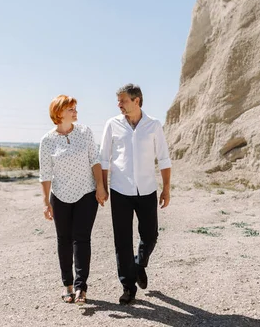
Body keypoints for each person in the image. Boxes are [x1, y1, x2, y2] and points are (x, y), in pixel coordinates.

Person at [99, 83, 172, 305]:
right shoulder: (112, 125)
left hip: (147, 189)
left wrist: (166, 188)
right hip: (120, 189)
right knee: (122, 241)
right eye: (118, 101)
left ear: (136, 101)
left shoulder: (153, 125)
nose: (118, 104)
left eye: (123, 100)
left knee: (150, 235)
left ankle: (139, 264)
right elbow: (104, 158)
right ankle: (128, 287)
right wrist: (102, 187)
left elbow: (164, 158)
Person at [39, 95, 107, 305]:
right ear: (59, 113)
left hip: (86, 194)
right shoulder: (47, 141)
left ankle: (81, 287)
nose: (75, 111)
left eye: (75, 108)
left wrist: (100, 186)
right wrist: (46, 202)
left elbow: (95, 160)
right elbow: (45, 174)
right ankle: (67, 285)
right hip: (60, 196)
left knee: (82, 238)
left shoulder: (85, 132)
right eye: (71, 108)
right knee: (64, 240)